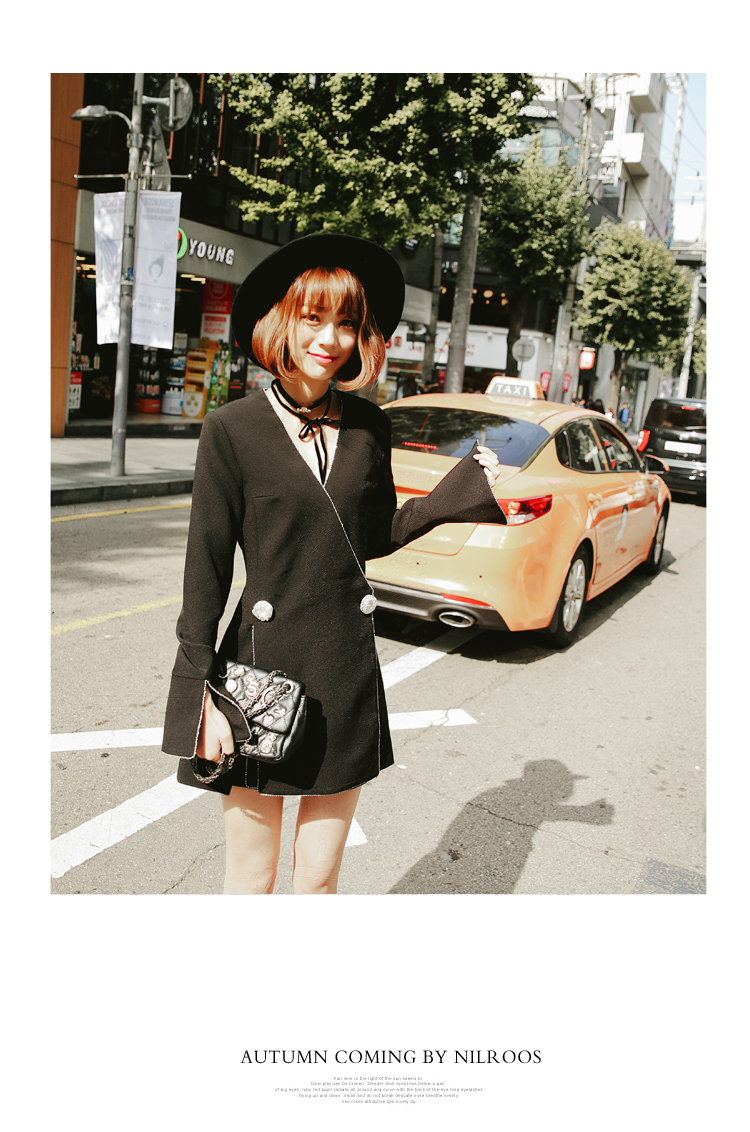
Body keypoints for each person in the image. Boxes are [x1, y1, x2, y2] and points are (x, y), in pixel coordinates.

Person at [161, 233, 504, 895]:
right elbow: (205, 572)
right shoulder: (232, 428)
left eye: (346, 323)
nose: (330, 338)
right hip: (259, 675)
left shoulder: (370, 426)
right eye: (313, 318)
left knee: (319, 882)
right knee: (252, 881)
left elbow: (371, 536)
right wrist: (198, 694)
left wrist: (455, 494)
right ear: (281, 323)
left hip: (344, 668)